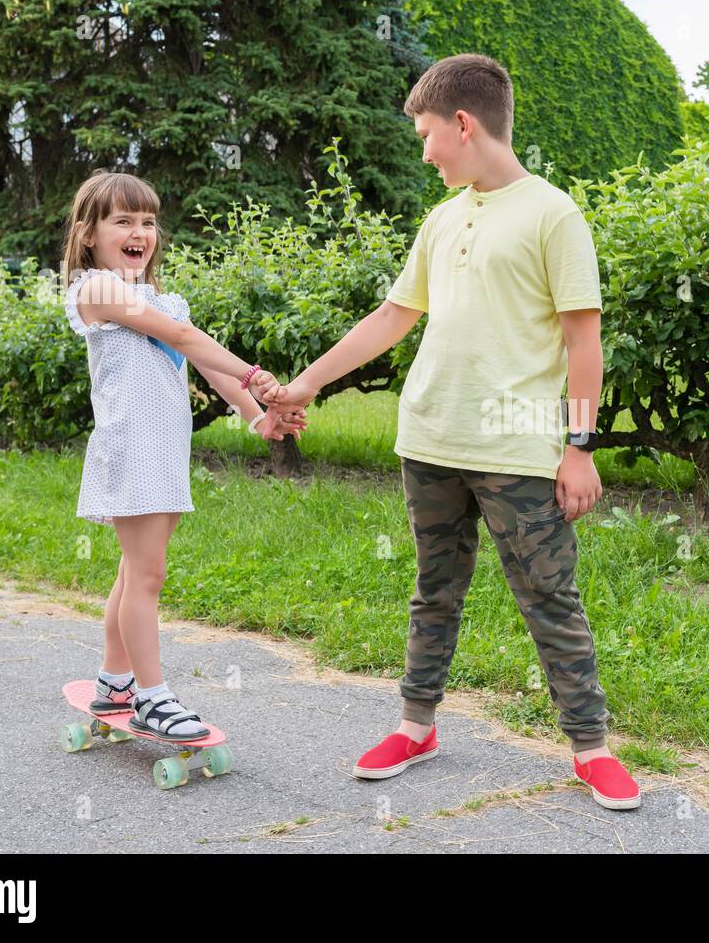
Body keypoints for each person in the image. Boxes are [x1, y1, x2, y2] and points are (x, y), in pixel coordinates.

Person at [263, 54, 640, 810]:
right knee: (434, 592)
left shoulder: (552, 214)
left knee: (548, 594)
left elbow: (584, 340)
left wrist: (580, 446)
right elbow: (393, 318)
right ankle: (416, 725)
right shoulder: (443, 217)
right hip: (429, 438)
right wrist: (306, 382)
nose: (424, 150)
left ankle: (591, 748)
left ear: (461, 124)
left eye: (426, 134)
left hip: (516, 449)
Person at [61, 170, 306, 741]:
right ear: (89, 234)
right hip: (130, 450)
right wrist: (257, 376)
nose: (139, 232)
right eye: (123, 221)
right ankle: (151, 697)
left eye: (148, 221)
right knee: (147, 574)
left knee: (133, 571)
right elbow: (190, 341)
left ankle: (115, 682)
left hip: (163, 451)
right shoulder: (95, 290)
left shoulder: (160, 298)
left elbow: (202, 364)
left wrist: (255, 413)